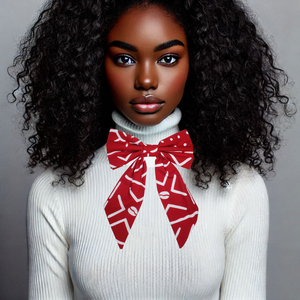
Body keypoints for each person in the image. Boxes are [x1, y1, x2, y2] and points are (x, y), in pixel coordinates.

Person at [10, 0, 293, 299]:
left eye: (168, 59)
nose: (146, 80)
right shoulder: (53, 193)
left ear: (199, 62)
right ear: (93, 63)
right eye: (124, 59)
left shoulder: (240, 189)